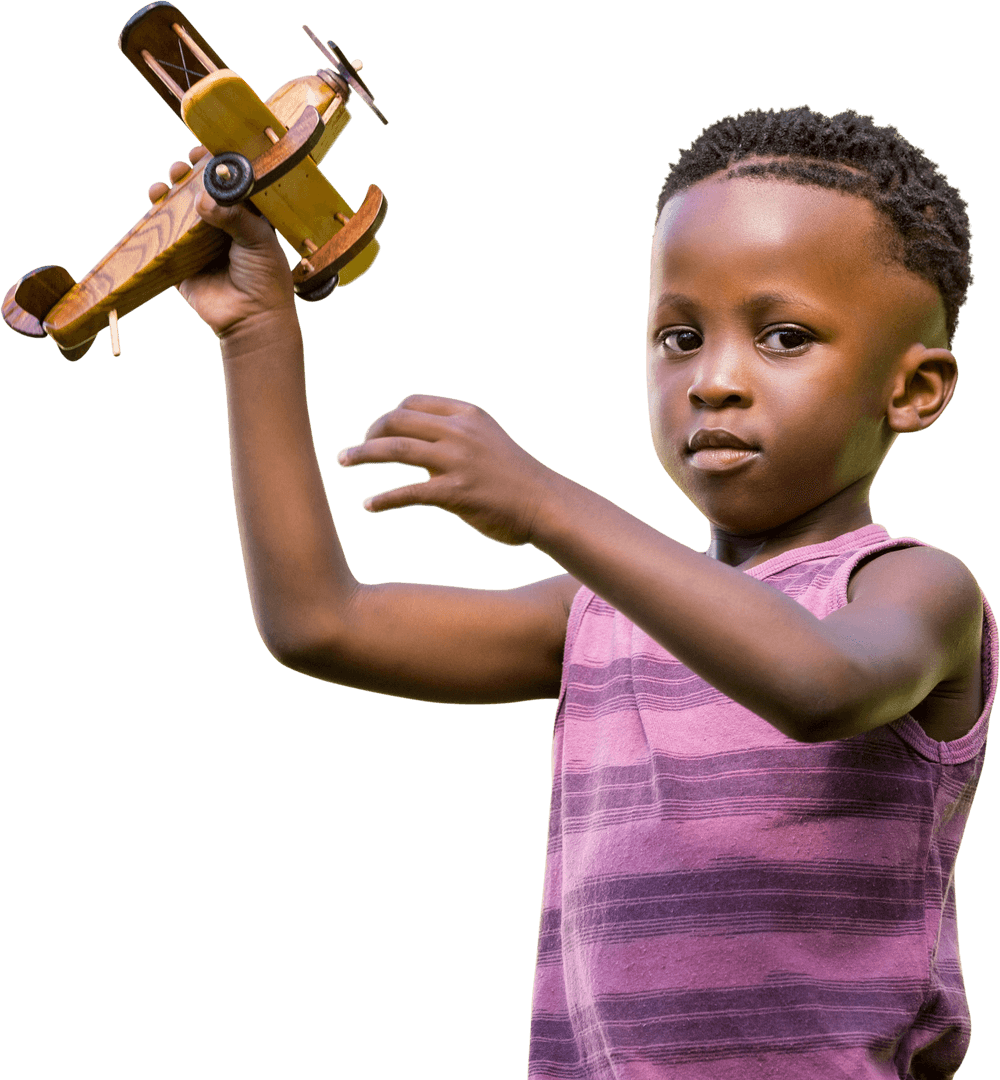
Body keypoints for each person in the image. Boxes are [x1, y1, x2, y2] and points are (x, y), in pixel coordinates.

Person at [148, 105, 995, 1078]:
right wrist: (257, 331)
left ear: (914, 389)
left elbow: (816, 685)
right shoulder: (597, 614)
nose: (714, 381)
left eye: (785, 336)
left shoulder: (916, 590)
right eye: (679, 336)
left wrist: (546, 500)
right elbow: (319, 622)